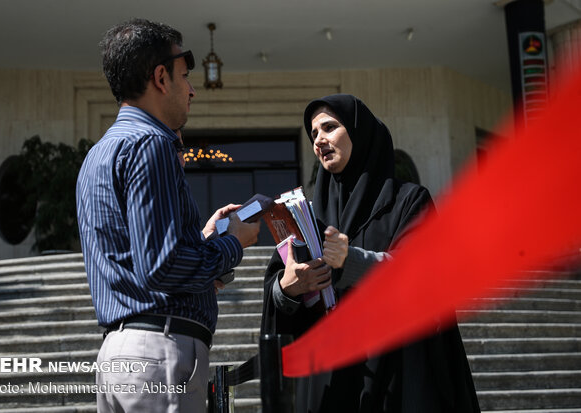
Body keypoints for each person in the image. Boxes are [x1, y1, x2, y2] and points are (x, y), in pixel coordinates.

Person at [76, 19, 260, 413]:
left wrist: (202, 240)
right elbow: (162, 267)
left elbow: (143, 260)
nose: (192, 89)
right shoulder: (151, 143)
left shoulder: (98, 154)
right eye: (185, 76)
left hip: (120, 354)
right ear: (161, 77)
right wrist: (233, 243)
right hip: (159, 352)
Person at [261, 94, 480, 412]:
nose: (319, 139)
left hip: (394, 377)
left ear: (358, 133)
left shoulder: (407, 201)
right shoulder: (308, 216)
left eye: (329, 127)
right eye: (313, 134)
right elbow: (277, 293)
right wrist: (287, 289)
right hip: (330, 384)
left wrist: (350, 261)